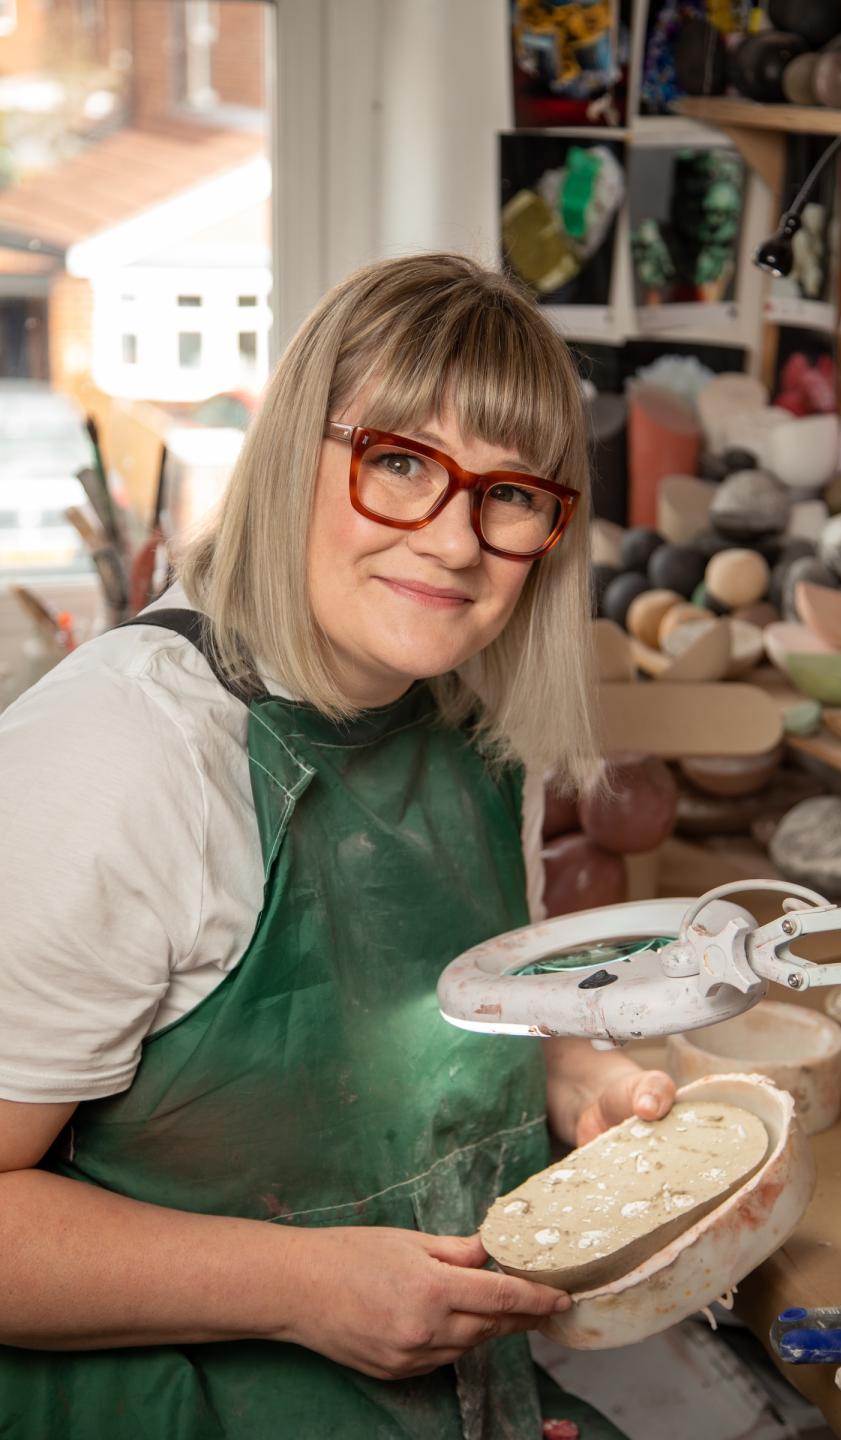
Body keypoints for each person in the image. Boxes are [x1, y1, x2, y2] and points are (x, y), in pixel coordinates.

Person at [0, 252, 675, 1439]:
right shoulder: (118, 757)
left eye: (510, 493)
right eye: (400, 463)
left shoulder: (469, 731)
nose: (455, 542)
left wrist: (580, 1087)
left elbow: (416, 1039)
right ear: (292, 451)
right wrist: (304, 1289)